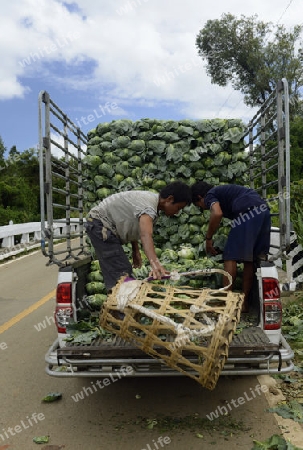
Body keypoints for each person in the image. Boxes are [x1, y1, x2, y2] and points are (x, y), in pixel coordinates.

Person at [85, 181, 192, 291]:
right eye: (178, 208)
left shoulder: (151, 204)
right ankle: (120, 301)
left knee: (120, 270)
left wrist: (135, 250)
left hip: (102, 225)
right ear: (169, 199)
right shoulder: (148, 207)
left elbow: (134, 225)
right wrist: (155, 264)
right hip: (100, 225)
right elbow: (146, 235)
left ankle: (119, 299)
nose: (177, 212)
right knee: (121, 272)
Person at [191, 181, 271, 312]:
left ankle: (226, 302)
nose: (203, 208)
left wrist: (208, 238)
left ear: (200, 197)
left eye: (199, 205)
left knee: (230, 256)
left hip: (248, 211)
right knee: (249, 260)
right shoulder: (225, 193)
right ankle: (243, 303)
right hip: (264, 211)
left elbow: (217, 213)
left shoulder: (211, 194)